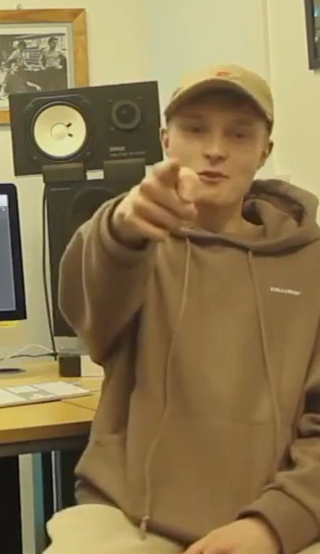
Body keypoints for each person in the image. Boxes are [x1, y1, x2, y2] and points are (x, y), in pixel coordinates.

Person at [46, 64, 320, 554]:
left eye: (239, 134)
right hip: (129, 521)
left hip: (277, 525)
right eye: (195, 129)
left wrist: (273, 526)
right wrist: (121, 227)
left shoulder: (310, 262)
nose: (215, 149)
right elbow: (90, 303)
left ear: (265, 150)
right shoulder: (134, 245)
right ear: (165, 140)